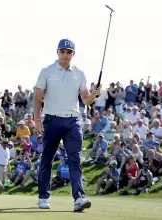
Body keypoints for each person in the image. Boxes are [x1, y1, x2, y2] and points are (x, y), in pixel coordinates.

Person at [34, 38, 100, 211]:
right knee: (47, 159)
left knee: (75, 160)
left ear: (73, 54)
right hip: (51, 120)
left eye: (69, 52)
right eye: (62, 51)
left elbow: (85, 99)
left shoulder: (79, 73)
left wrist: (94, 94)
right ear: (57, 52)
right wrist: (37, 120)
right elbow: (38, 97)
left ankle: (79, 198)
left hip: (72, 121)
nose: (65, 55)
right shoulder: (46, 71)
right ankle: (43, 196)